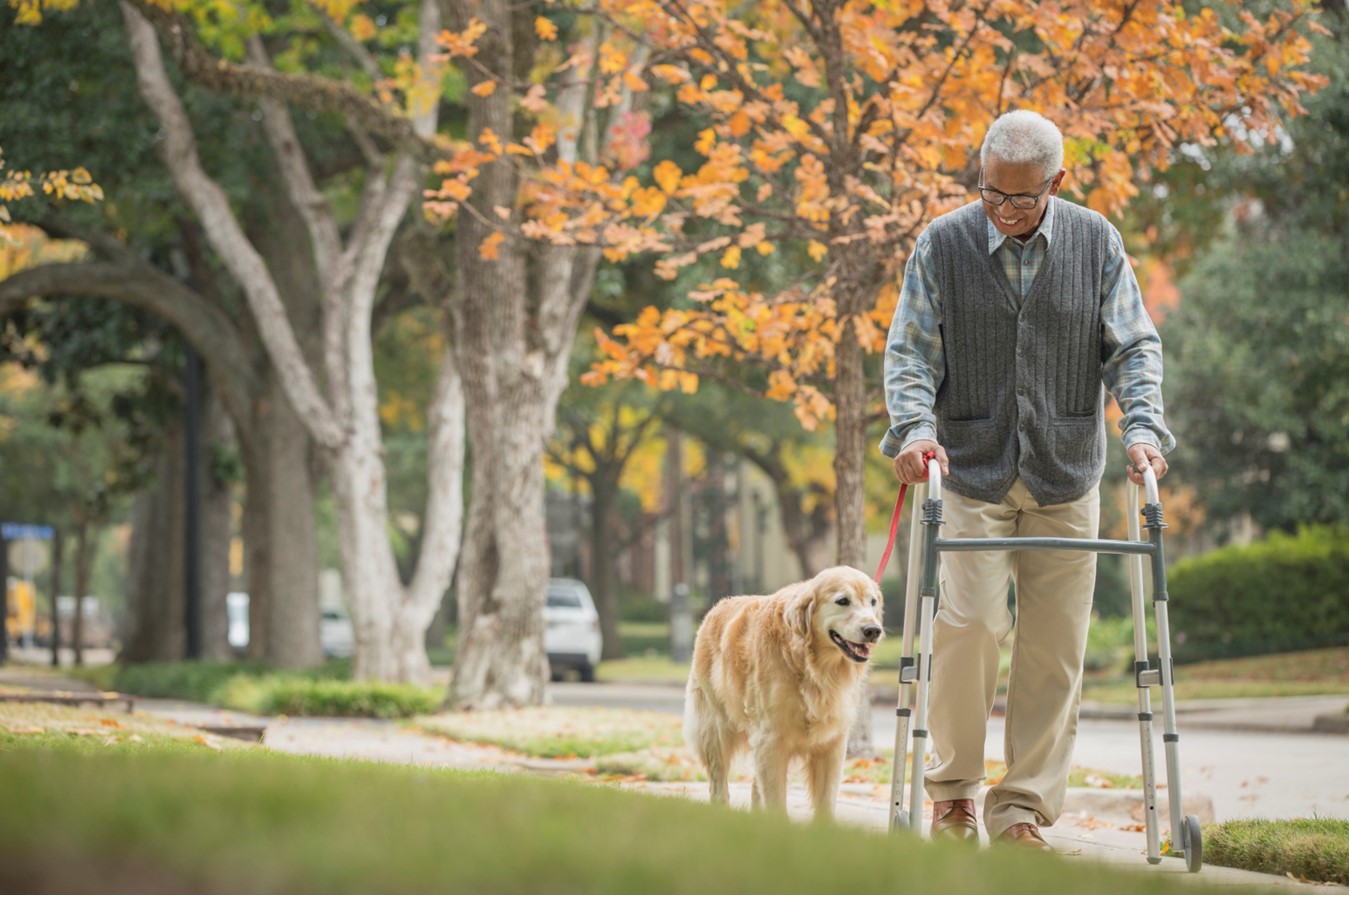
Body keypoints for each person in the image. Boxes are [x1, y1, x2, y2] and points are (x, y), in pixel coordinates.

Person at [879, 109, 1174, 851]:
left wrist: (1142, 429)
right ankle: (953, 798)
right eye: (990, 195)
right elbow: (909, 353)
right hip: (969, 470)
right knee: (969, 626)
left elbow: (1133, 346)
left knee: (1052, 648)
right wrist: (915, 431)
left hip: (1064, 468)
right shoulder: (941, 244)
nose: (1005, 213)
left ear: (1056, 182)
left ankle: (1021, 813)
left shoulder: (1096, 240)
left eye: (1021, 199)